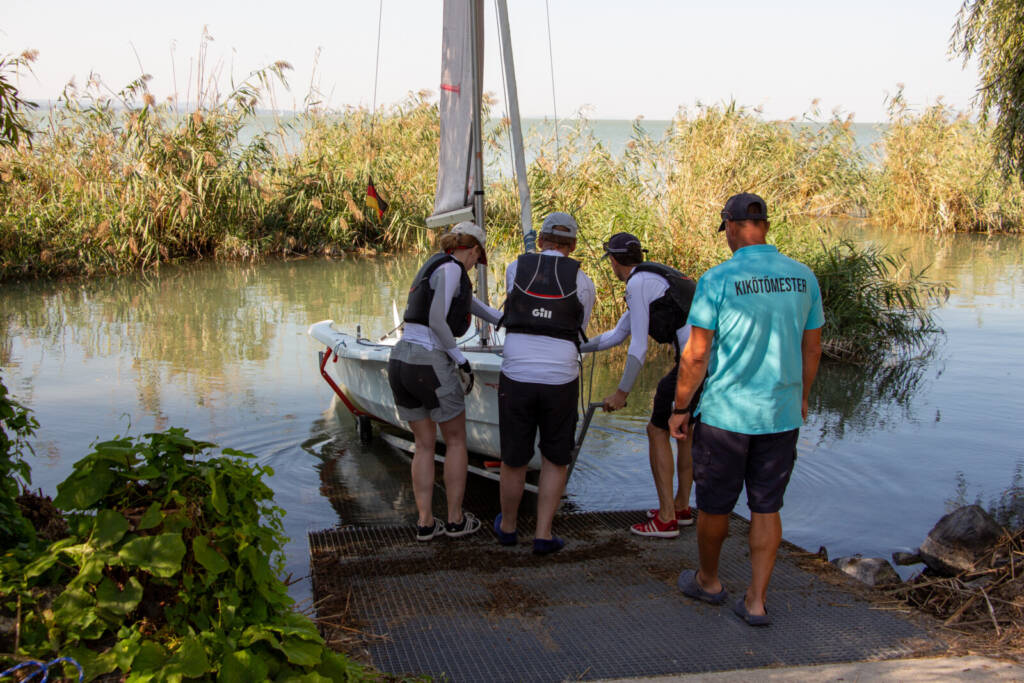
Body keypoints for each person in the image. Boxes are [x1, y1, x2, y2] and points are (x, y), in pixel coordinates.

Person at [669, 193, 823, 626]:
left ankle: (709, 581)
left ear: (733, 227)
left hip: (726, 415)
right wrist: (803, 395)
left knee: (715, 506)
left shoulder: (717, 279)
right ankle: (756, 601)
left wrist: (681, 407)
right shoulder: (802, 277)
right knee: (766, 507)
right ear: (765, 227)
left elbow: (696, 355)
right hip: (780, 413)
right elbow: (812, 347)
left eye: (727, 231)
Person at [475, 212, 596, 555]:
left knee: (514, 458)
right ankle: (543, 534)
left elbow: (511, 307)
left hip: (517, 374)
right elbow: (579, 327)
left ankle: (509, 528)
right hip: (561, 377)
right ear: (572, 246)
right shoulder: (583, 280)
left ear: (540, 240)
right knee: (556, 458)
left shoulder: (516, 268)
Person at [580, 232, 700, 538]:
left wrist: (622, 392)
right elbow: (617, 334)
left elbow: (637, 348)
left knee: (656, 429)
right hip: (709, 361)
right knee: (685, 432)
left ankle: (665, 519)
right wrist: (575, 347)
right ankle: (682, 508)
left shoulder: (635, 283)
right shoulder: (654, 277)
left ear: (614, 260)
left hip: (693, 362)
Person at [387, 221, 490, 542]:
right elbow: (437, 321)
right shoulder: (453, 270)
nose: (475, 266)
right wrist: (462, 361)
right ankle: (456, 521)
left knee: (424, 445)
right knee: (456, 441)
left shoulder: (437, 266)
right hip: (429, 361)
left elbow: (463, 303)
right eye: (477, 259)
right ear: (472, 250)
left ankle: (425, 523)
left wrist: (501, 318)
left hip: (401, 359)